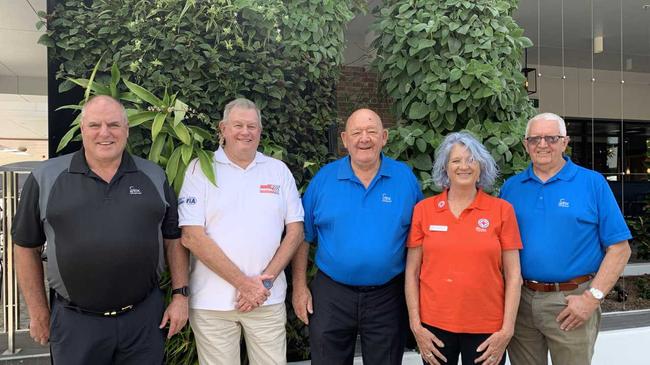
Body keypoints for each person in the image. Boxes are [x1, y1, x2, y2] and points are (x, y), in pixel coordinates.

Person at [11, 95, 189, 364]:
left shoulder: (154, 175)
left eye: (114, 125)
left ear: (127, 130)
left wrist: (180, 296)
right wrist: (38, 312)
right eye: (95, 125)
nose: (104, 133)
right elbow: (25, 247)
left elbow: (173, 238)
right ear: (82, 130)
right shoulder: (46, 177)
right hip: (76, 325)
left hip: (142, 321)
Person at [178, 98, 304, 365]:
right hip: (212, 305)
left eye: (252, 126)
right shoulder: (199, 169)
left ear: (260, 131)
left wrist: (264, 284)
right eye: (237, 125)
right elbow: (191, 236)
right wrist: (244, 284)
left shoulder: (277, 171)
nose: (245, 132)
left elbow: (295, 232)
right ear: (222, 128)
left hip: (266, 300)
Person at [292, 108, 423, 365]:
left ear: (384, 137)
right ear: (344, 139)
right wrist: (299, 287)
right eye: (357, 132)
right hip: (332, 294)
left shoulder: (405, 178)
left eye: (372, 132)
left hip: (387, 294)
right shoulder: (324, 180)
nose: (365, 138)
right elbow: (302, 237)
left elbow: (419, 240)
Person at [500, 112, 632, 365]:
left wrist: (592, 297)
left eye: (551, 137)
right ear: (525, 144)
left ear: (565, 142)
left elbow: (619, 248)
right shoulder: (512, 188)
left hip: (572, 303)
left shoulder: (592, 183)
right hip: (520, 301)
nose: (542, 144)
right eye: (535, 138)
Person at [406, 132, 522, 365]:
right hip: (434, 327)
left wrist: (507, 330)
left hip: (487, 327)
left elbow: (514, 276)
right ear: (445, 168)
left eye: (471, 160)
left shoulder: (502, 211)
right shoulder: (424, 210)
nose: (464, 166)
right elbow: (411, 273)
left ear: (481, 168)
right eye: (456, 160)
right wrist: (416, 326)